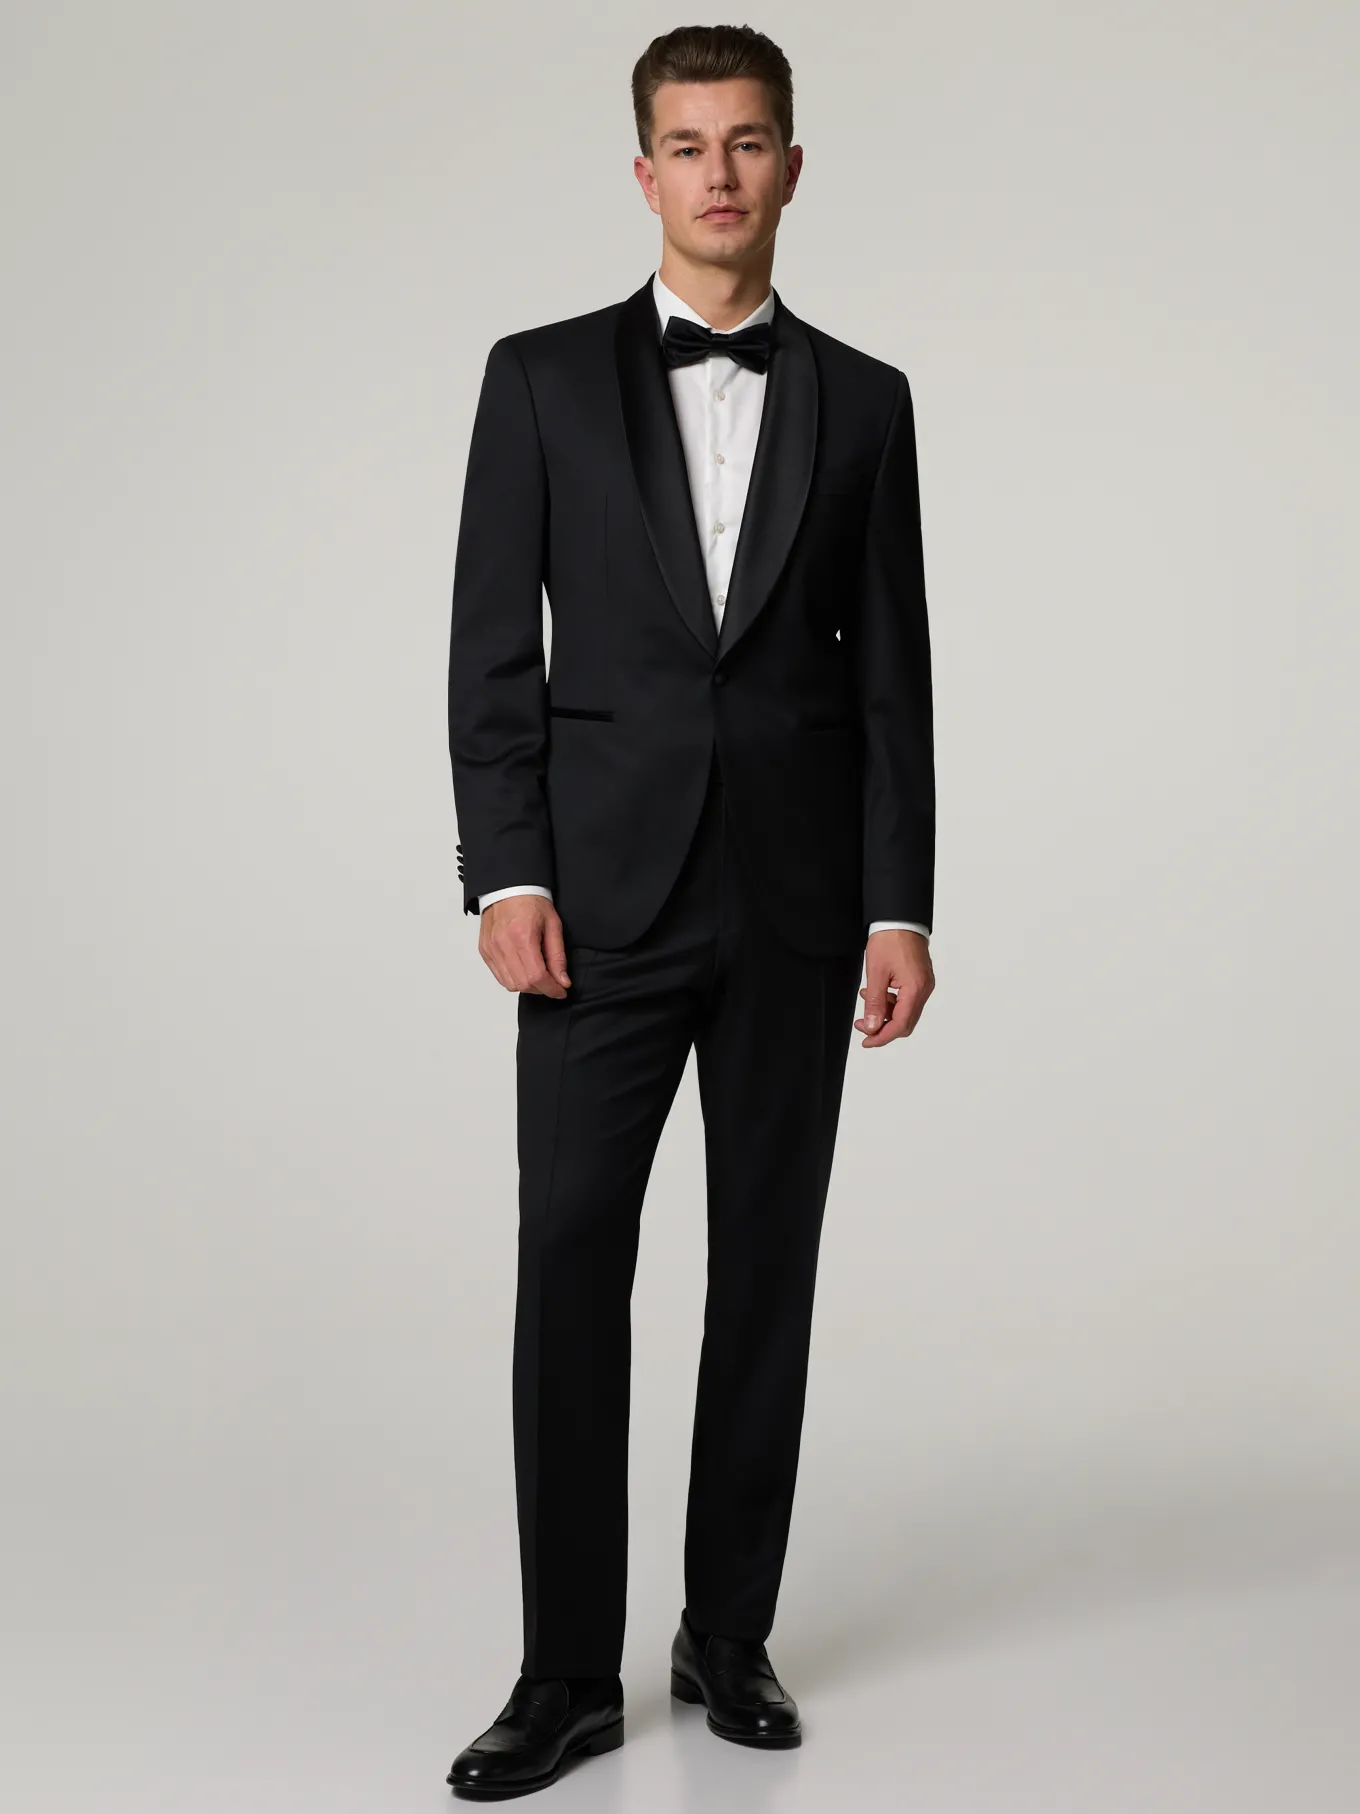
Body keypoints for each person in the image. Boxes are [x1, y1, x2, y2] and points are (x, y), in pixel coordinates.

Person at [444, 22, 935, 1798]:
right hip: (597, 907)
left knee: (766, 1268)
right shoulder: (539, 381)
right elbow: (490, 653)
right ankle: (567, 1669)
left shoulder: (866, 400)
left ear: (791, 167)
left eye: (747, 142)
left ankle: (727, 1631)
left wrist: (900, 904)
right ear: (642, 171)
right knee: (572, 1259)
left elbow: (893, 681)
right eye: (687, 143)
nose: (719, 173)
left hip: (798, 909)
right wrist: (507, 868)